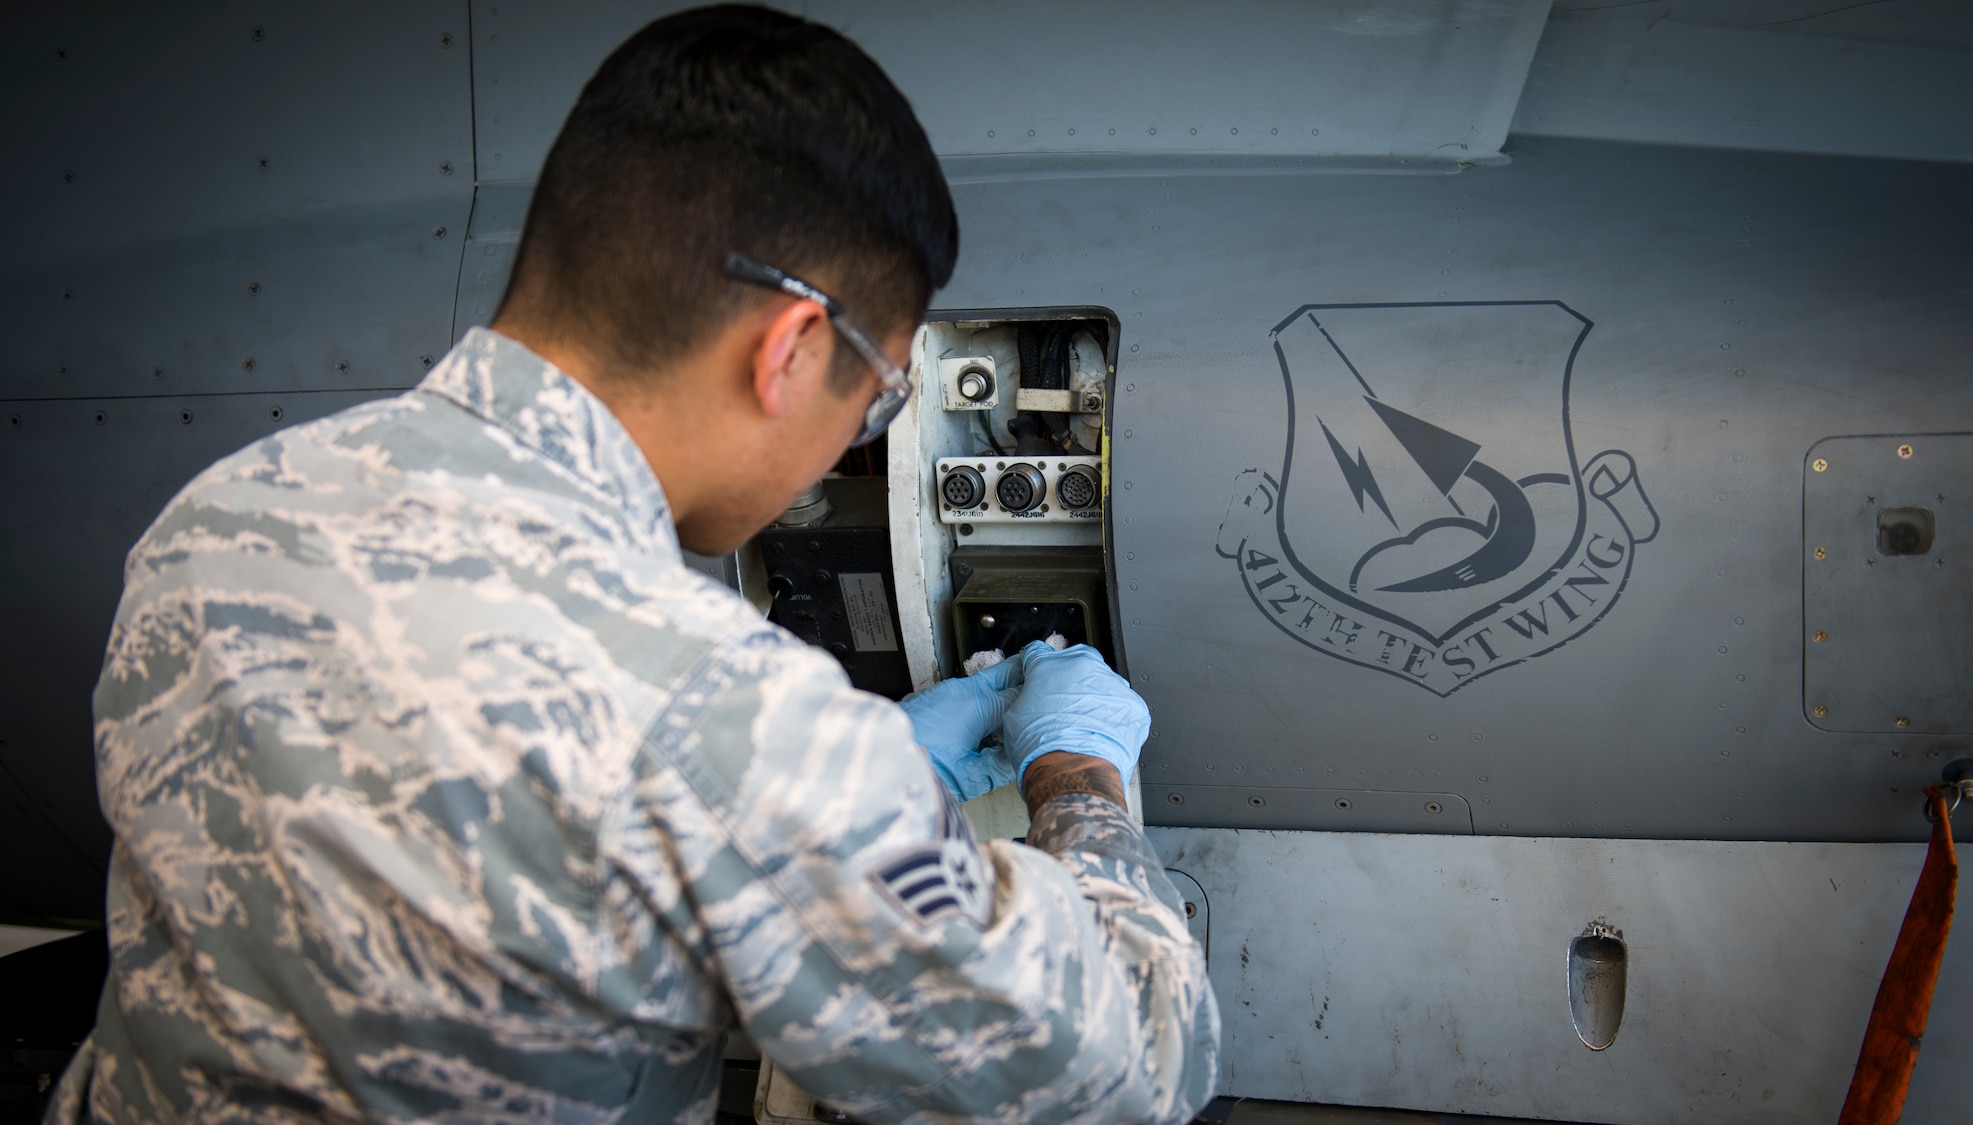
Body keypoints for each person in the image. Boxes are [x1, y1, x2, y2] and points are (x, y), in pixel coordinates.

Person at [49, 6, 1219, 1124]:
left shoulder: (219, 519)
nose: (849, 438)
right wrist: (1076, 775)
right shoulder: (717, 715)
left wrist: (874, 786)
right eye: (876, 402)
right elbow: (1132, 1057)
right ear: (791, 352)